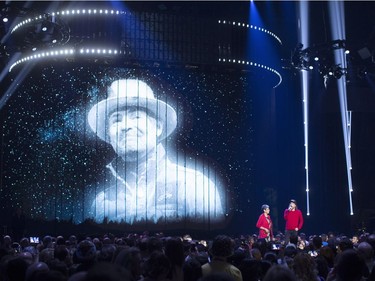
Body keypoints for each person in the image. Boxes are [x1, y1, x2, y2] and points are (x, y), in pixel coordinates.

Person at [85, 78, 225, 224]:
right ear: (109, 134)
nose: (125, 126)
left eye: (136, 117)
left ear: (158, 127)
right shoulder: (101, 202)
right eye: (116, 120)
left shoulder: (193, 184)